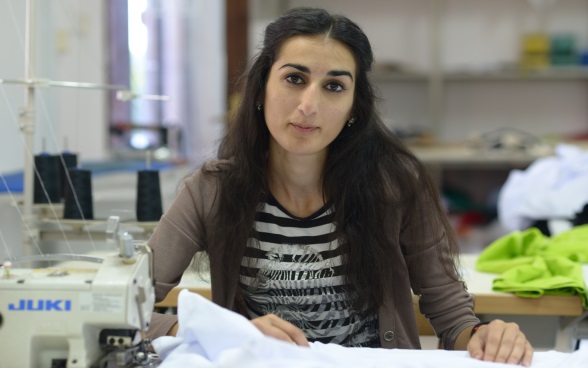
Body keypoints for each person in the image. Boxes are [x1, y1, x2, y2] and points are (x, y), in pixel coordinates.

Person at [147, 6, 533, 366]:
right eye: (294, 79)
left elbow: (450, 313)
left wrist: (487, 336)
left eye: (334, 87)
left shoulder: (396, 185)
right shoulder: (212, 189)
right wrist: (213, 332)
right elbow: (119, 308)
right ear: (261, 89)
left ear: (353, 107)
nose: (309, 104)